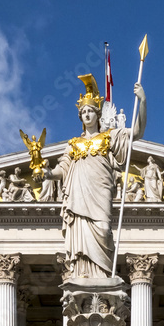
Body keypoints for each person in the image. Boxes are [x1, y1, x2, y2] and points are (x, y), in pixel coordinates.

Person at [45, 74, 146, 280]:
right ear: (80, 117)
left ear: (98, 114)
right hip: (78, 197)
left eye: (91, 111)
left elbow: (136, 132)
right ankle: (83, 276)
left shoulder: (110, 137)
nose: (87, 115)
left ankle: (102, 277)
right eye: (83, 112)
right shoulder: (73, 144)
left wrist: (142, 101)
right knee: (81, 239)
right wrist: (47, 174)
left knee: (103, 229)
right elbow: (63, 169)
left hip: (100, 194)